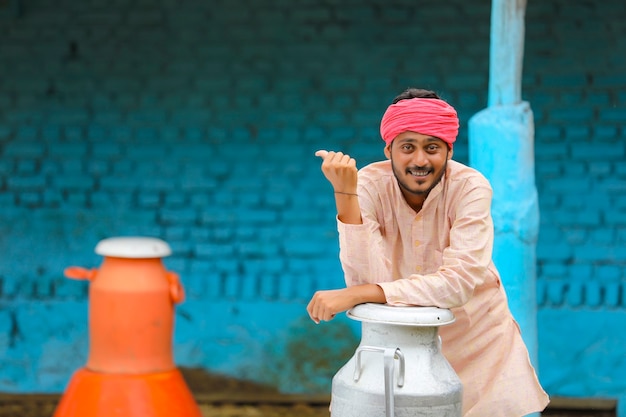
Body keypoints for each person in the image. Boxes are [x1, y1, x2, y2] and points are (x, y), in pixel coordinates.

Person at [307, 88, 549, 417]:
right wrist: (345, 195)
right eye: (407, 147)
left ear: (449, 151)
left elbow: (458, 284)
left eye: (432, 147)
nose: (420, 160)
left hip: (478, 342)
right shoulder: (368, 185)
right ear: (388, 149)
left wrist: (361, 294)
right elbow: (365, 279)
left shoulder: (470, 188)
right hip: (400, 346)